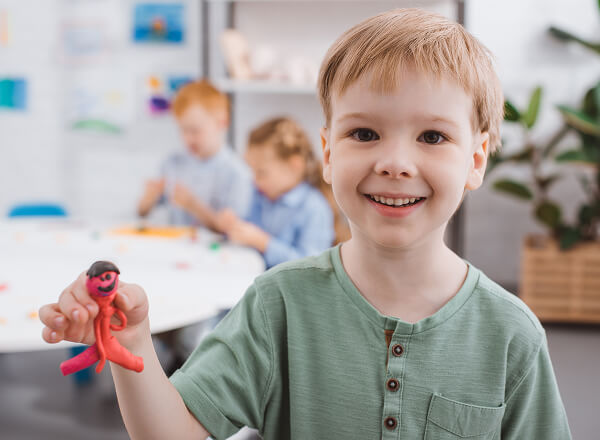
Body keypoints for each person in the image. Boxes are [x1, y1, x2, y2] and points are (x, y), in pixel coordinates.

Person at [39, 9, 571, 439]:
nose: (395, 162)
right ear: (327, 153)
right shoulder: (278, 305)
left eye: (432, 137)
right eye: (364, 133)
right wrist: (132, 337)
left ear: (476, 159)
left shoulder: (511, 335)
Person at [217, 117, 347, 269]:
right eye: (252, 171)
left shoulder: (314, 208)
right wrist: (233, 227)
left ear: (294, 166)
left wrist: (264, 244)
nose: (255, 180)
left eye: (262, 172)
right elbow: (249, 233)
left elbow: (312, 268)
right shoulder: (260, 195)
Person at [137, 79, 251, 230]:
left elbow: (235, 230)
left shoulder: (238, 173)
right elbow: (142, 212)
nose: (188, 138)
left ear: (222, 123)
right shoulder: (172, 163)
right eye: (183, 130)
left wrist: (194, 206)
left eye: (195, 130)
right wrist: (148, 198)